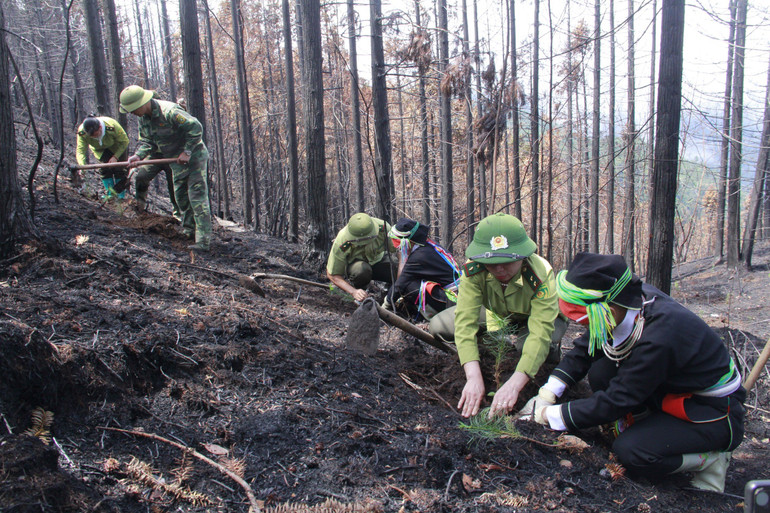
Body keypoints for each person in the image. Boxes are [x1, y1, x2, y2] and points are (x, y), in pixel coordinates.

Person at [519, 252, 745, 493]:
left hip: (711, 412)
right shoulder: (625, 303)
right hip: (668, 390)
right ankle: (645, 424)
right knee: (601, 372)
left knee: (632, 452)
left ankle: (709, 460)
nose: (581, 324)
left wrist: (547, 415)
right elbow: (585, 349)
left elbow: (617, 399)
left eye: (585, 317)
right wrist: (547, 392)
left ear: (609, 306)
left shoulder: (659, 338)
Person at [429, 212, 567, 418]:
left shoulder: (540, 275)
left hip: (535, 318)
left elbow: (540, 332)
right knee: (438, 326)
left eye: (507, 262)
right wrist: (473, 377)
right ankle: (491, 347)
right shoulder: (474, 269)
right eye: (493, 263)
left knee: (531, 347)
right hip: (497, 313)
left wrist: (514, 384)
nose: (499, 269)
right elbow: (465, 321)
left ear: (522, 256)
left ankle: (548, 357)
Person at [120, 85, 211, 251]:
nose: (132, 113)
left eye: (132, 109)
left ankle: (204, 241)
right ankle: (189, 230)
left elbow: (195, 127)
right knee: (181, 197)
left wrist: (188, 151)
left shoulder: (169, 111)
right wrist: (139, 156)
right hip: (176, 160)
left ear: (141, 103)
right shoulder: (144, 119)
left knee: (196, 197)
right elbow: (148, 142)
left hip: (194, 157)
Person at [386, 218, 460, 321]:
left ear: (407, 242)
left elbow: (401, 283)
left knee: (409, 286)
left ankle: (434, 317)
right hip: (457, 293)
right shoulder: (427, 245)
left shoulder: (419, 257)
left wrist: (386, 304)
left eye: (397, 241)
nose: (396, 245)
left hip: (453, 301)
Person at [326, 213, 398, 302]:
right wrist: (353, 291)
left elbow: (399, 249)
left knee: (396, 266)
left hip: (378, 260)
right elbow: (332, 274)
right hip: (357, 268)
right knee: (361, 270)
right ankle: (362, 292)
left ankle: (392, 294)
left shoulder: (383, 228)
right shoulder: (342, 241)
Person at [74, 115, 129, 199]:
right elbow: (81, 150)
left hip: (117, 147)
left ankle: (120, 196)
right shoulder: (82, 132)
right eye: (91, 136)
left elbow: (125, 141)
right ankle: (110, 194)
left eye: (95, 135)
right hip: (100, 150)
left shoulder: (112, 126)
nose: (94, 137)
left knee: (120, 170)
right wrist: (82, 165)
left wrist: (116, 157)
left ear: (100, 127)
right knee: (105, 169)